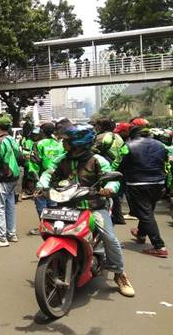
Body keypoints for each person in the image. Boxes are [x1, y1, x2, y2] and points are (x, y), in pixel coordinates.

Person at [36, 125, 135, 297]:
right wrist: (41, 185)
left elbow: (111, 177)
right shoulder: (62, 159)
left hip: (93, 206)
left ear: (78, 144)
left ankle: (119, 273)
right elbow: (48, 174)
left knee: (109, 237)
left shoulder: (97, 160)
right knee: (51, 229)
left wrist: (109, 188)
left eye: (66, 141)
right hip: (66, 206)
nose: (63, 143)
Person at [120, 119, 168, 258]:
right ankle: (141, 234)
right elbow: (165, 163)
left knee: (146, 213)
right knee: (147, 210)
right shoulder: (161, 145)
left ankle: (159, 246)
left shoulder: (128, 145)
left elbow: (120, 165)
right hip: (159, 184)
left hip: (137, 184)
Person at [28, 122, 65, 234]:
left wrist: (35, 180)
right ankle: (54, 226)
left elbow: (34, 164)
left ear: (42, 131)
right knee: (53, 203)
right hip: (56, 179)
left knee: (41, 203)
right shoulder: (59, 144)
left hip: (42, 178)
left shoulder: (38, 144)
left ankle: (45, 227)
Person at [0, 115, 22, 247]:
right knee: (10, 206)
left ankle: (2, 238)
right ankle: (12, 233)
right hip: (14, 176)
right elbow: (19, 157)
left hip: (2, 177)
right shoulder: (11, 139)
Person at [92, 117, 129, 224]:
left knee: (100, 192)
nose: (95, 127)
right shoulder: (118, 137)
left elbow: (93, 152)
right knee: (114, 193)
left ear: (101, 126)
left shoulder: (100, 137)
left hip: (104, 167)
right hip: (117, 167)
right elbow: (125, 151)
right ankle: (118, 217)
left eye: (96, 125)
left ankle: (103, 218)